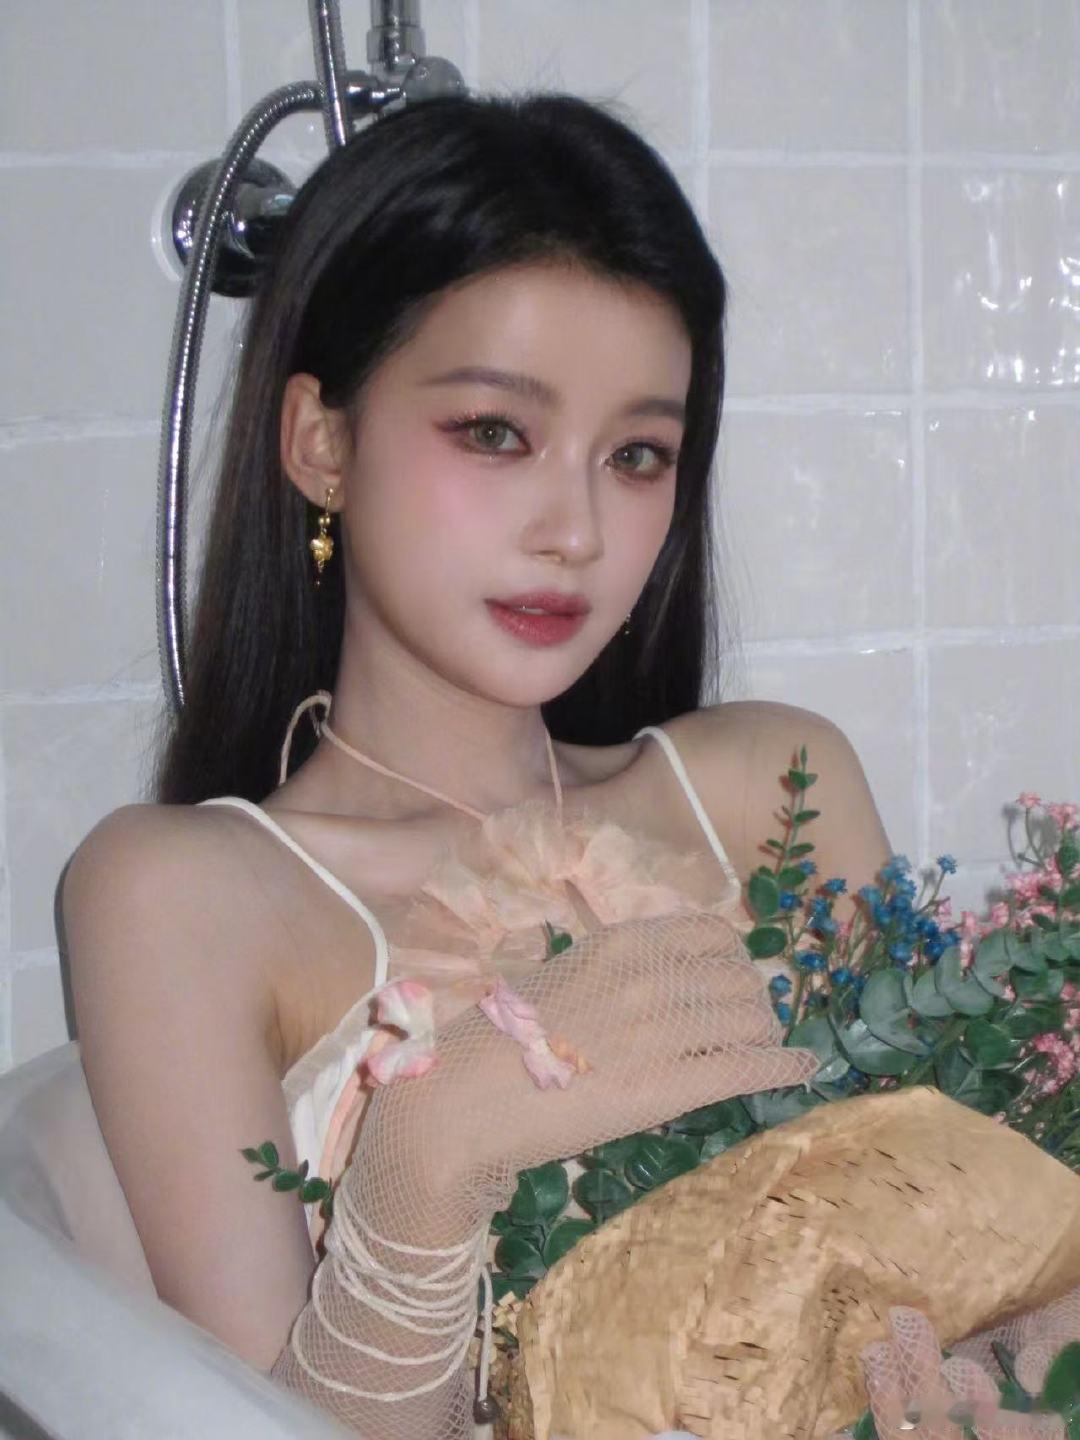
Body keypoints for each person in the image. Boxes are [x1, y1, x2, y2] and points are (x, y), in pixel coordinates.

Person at [60, 91, 891, 1435]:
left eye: (637, 455)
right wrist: (424, 1164)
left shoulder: (773, 787)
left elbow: (957, 1235)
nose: (576, 530)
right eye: (496, 432)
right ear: (322, 443)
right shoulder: (182, 894)